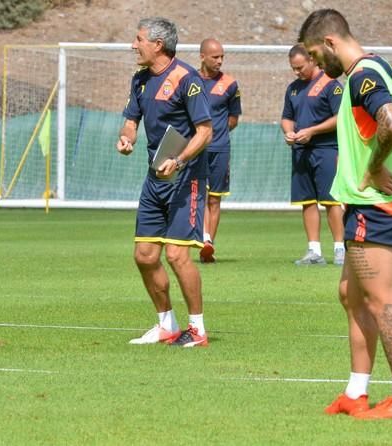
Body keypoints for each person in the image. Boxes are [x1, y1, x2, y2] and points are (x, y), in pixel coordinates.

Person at [299, 9, 392, 419]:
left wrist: (373, 167)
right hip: (363, 205)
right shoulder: (379, 66)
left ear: (331, 43)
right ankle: (356, 392)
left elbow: (391, 122)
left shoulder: (362, 75)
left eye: (318, 57)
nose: (318, 67)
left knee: (380, 299)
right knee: (350, 296)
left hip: (377, 205)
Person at [116, 17, 213, 347]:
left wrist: (180, 159)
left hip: (187, 178)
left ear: (158, 44)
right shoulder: (140, 81)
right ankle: (166, 324)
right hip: (154, 178)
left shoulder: (188, 79)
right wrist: (126, 138)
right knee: (144, 255)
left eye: (139, 39)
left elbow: (205, 131)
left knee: (176, 255)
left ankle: (197, 329)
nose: (133, 45)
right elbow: (131, 121)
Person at [281, 43, 345, 266]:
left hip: (327, 150)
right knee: (307, 202)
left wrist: (312, 131)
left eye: (300, 67)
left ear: (312, 60)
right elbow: (287, 117)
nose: (297, 72)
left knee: (331, 200)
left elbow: (341, 118)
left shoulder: (332, 85)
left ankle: (340, 249)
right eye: (293, 68)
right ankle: (314, 251)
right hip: (300, 152)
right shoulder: (293, 89)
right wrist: (289, 132)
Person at [197, 38, 242, 263]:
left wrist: (218, 133)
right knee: (200, 196)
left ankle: (208, 244)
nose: (220, 61)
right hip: (196, 149)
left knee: (215, 199)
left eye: (222, 56)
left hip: (220, 149)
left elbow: (234, 118)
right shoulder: (190, 81)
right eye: (215, 57)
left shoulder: (231, 84)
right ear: (202, 56)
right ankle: (204, 239)